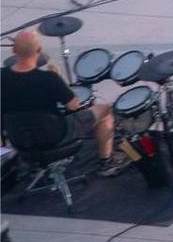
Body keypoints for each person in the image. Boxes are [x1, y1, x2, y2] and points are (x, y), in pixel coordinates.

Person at [2, 29, 124, 176]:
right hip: (54, 136)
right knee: (104, 110)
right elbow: (74, 105)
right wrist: (58, 77)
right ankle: (107, 162)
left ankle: (36, 165)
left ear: (13, 50)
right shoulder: (48, 78)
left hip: (20, 140)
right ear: (39, 50)